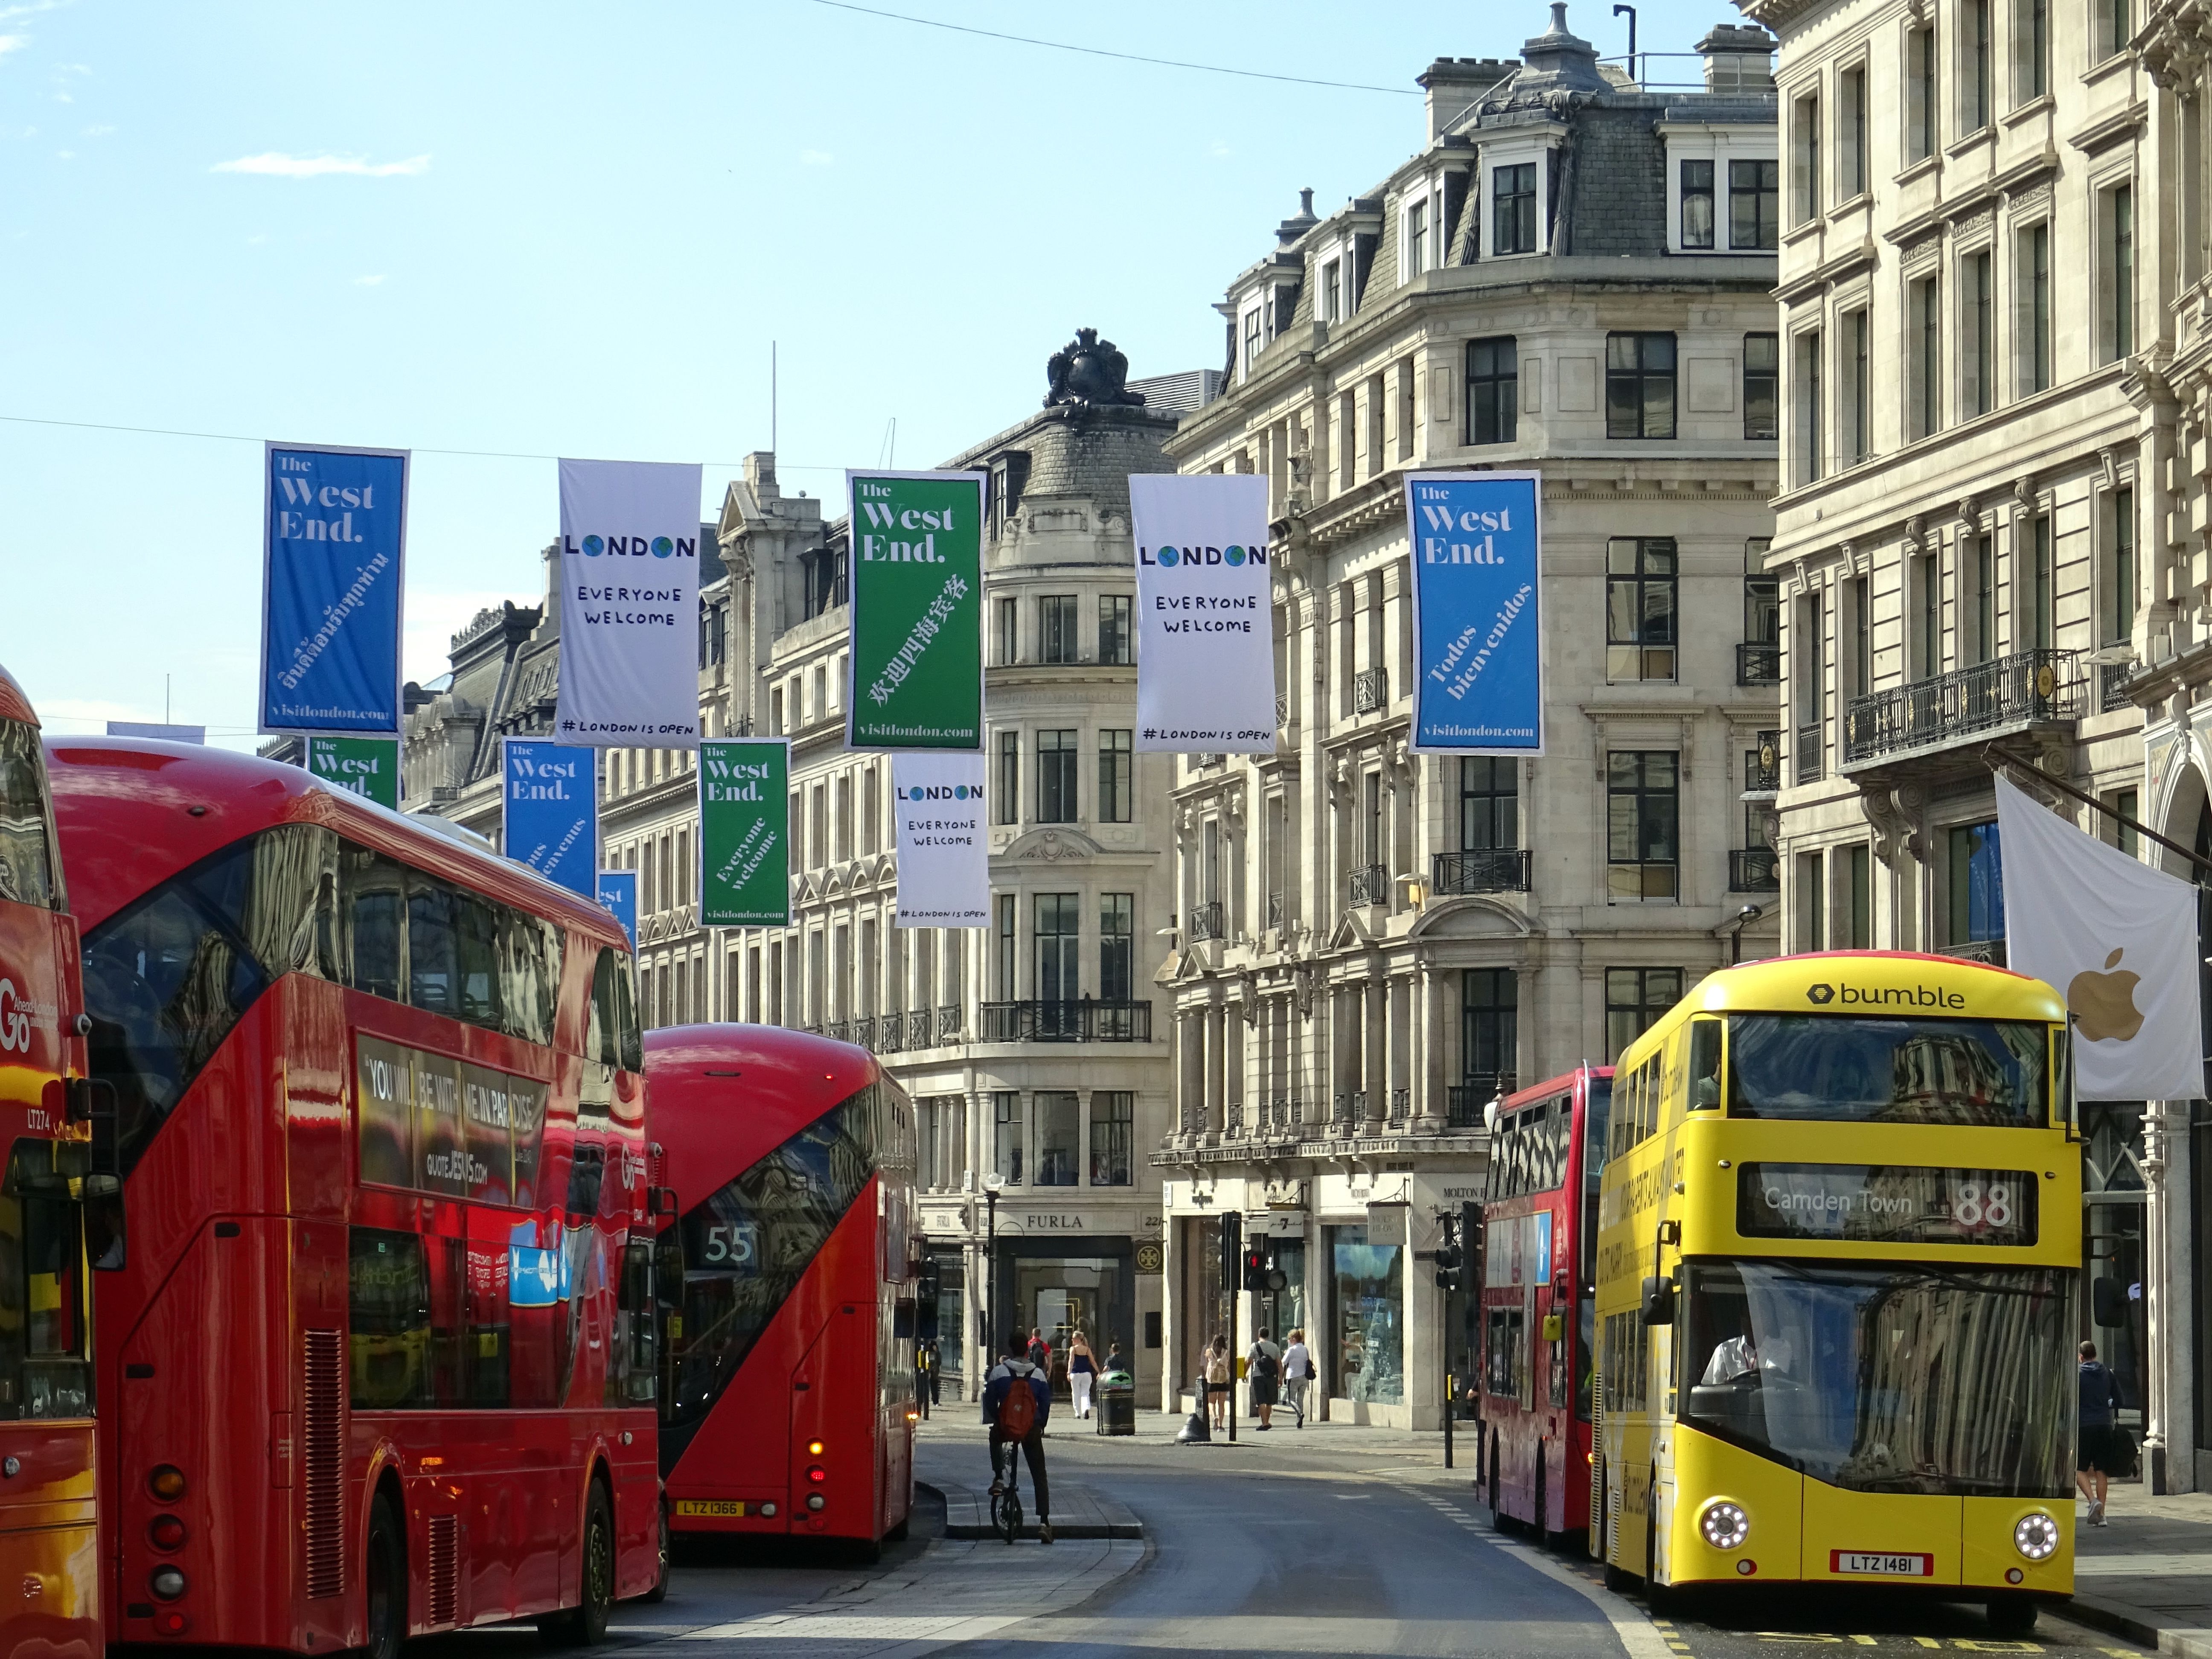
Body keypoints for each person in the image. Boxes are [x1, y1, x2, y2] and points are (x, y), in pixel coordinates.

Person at [983, 1340, 1054, 1544]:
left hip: (1007, 1427)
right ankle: (1044, 1523)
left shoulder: (999, 1372)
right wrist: (1041, 1425)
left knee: (994, 1438)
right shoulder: (1039, 1374)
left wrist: (1000, 1418)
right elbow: (1046, 1403)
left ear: (1011, 1351)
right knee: (1039, 1474)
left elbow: (989, 1401)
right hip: (1031, 1428)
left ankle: (998, 1477)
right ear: (1027, 1351)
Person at [2079, 1339, 2124, 1526]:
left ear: (2081, 1357)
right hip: (2104, 1426)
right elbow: (2119, 1400)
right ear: (2095, 1355)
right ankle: (2102, 1515)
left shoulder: (2078, 1374)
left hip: (2084, 1426)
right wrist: (2107, 1404)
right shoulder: (2108, 1373)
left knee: (2080, 1470)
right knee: (2101, 1470)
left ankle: (2092, 1501)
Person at [1246, 1327, 1283, 1430]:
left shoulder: (1254, 1346)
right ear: (1268, 1335)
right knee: (1269, 1401)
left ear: (1259, 1335)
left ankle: (1264, 1423)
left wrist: (1243, 1374)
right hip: (1271, 1377)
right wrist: (1281, 1377)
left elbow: (1248, 1361)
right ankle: (1267, 1421)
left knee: (1261, 1401)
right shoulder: (1274, 1347)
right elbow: (1279, 1364)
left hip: (1258, 1376)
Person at [1281, 1328, 1313, 1428]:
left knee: (1291, 1400)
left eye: (1290, 1339)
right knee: (1300, 1399)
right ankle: (1299, 1422)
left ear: (1294, 1339)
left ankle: (1299, 1413)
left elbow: (1284, 1362)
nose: (1289, 1341)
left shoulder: (1292, 1350)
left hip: (1293, 1376)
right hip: (1304, 1377)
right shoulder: (1305, 1349)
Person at [1203, 1333, 1232, 1431]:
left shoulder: (1209, 1351)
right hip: (1223, 1379)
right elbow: (1228, 1362)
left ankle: (1214, 1417)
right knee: (1222, 1403)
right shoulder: (1226, 1352)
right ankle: (1221, 1425)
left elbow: (1207, 1361)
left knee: (1211, 1402)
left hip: (1212, 1380)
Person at [1068, 1330, 1097, 1419]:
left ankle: (1078, 1413)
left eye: (1073, 1338)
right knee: (1085, 1393)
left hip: (1075, 1373)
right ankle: (1086, 1409)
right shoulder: (1087, 1349)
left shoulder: (1073, 1349)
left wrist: (1069, 1372)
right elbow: (1093, 1362)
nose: (1072, 1340)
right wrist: (1098, 1371)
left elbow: (1071, 1361)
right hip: (1086, 1373)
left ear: (1077, 1339)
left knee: (1075, 1393)